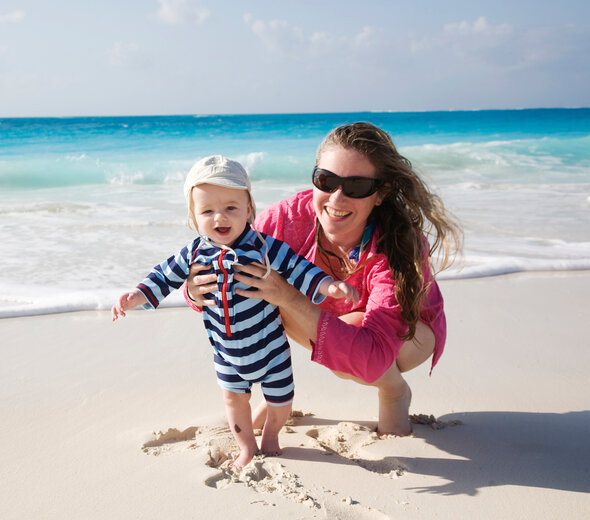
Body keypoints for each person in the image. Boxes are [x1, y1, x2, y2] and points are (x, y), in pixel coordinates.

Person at [185, 123, 461, 437]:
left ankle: (394, 390)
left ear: (381, 193)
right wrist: (195, 291)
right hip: (328, 318)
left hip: (409, 337)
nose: (337, 198)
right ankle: (277, 396)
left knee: (342, 323)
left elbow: (370, 358)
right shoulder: (287, 218)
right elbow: (224, 276)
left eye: (356, 186)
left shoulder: (397, 245)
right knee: (260, 283)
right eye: (326, 181)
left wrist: (288, 297)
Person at [111, 155, 358, 468]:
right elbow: (163, 275)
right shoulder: (193, 253)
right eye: (207, 211)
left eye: (230, 207)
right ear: (193, 216)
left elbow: (298, 268)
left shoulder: (265, 246)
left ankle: (271, 437)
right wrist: (136, 295)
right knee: (233, 402)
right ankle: (246, 448)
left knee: (281, 401)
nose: (220, 218)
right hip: (227, 356)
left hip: (271, 351)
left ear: (248, 209)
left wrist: (327, 286)